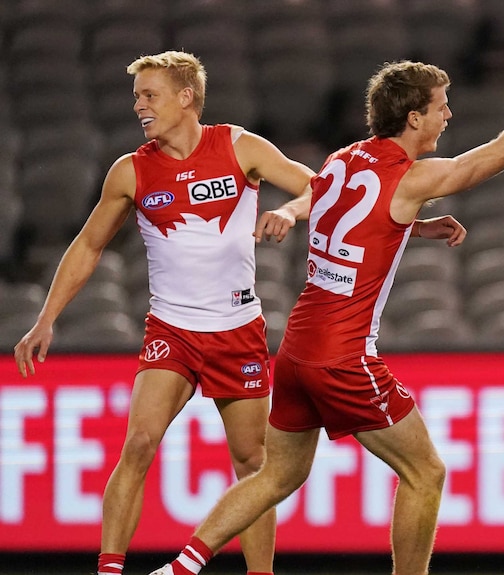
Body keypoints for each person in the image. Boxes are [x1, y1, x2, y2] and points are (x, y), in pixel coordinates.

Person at [145, 42, 504, 575]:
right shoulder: (409, 177)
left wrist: (413, 228)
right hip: (344, 356)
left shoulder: (341, 159)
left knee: (276, 475)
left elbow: (350, 222)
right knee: (426, 472)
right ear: (414, 116)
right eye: (441, 106)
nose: (448, 114)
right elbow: (502, 152)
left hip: (298, 348)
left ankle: (180, 567)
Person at [11, 50, 315, 575]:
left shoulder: (241, 147)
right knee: (139, 443)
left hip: (237, 329)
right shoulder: (130, 171)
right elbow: (87, 247)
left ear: (185, 97)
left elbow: (318, 188)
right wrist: (46, 318)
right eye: (136, 98)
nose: (139, 107)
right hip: (171, 330)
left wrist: (287, 210)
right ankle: (109, 570)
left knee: (253, 463)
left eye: (149, 96)